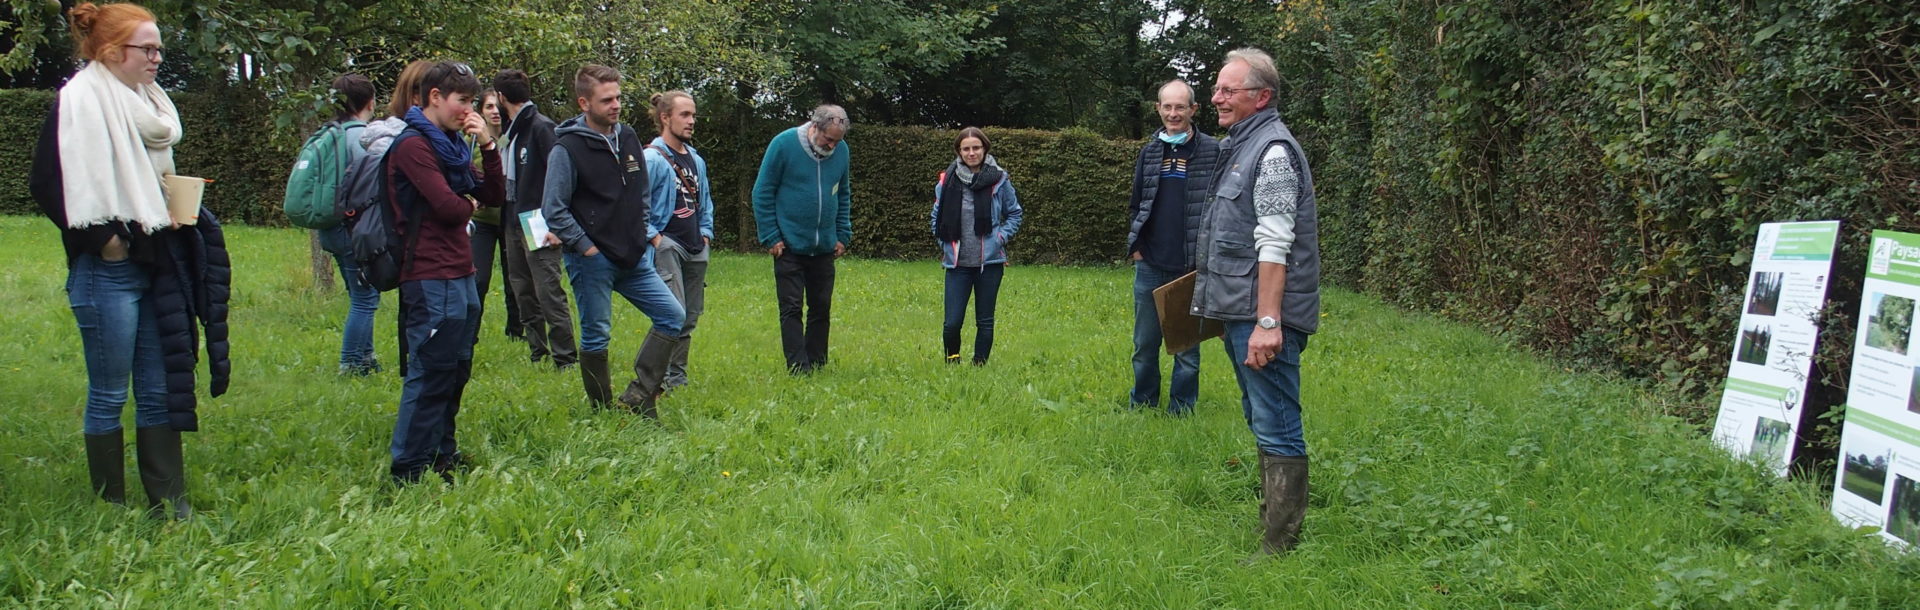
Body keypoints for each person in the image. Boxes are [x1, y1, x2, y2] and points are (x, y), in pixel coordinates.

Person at [29, 2, 232, 519]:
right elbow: (48, 184)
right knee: (109, 391)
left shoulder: (150, 104)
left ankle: (169, 501)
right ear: (112, 50)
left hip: (157, 258)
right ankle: (110, 506)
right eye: (149, 48)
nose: (158, 57)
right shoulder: (79, 101)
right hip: (109, 269)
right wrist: (106, 242)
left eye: (160, 48)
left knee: (159, 385)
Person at [1194, 48, 1322, 557]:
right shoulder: (1242, 146)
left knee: (1277, 422)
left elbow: (1275, 243)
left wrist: (1267, 322)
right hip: (1241, 313)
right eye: (1218, 88)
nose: (1217, 97)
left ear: (1261, 96)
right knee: (1260, 414)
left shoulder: (1271, 152)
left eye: (1228, 90)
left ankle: (1281, 546)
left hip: (1263, 316)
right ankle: (1273, 525)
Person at [384, 61, 506, 485]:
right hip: (428, 274)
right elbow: (450, 209)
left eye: (473, 101)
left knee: (456, 368)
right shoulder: (413, 147)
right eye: (463, 101)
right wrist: (467, 204)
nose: (468, 110)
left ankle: (441, 453)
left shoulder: (454, 148)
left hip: (461, 271)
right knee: (430, 370)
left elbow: (492, 195)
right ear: (435, 97)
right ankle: (408, 468)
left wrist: (488, 148)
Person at [542, 64, 685, 417]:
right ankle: (602, 410)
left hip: (634, 255)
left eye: (618, 97)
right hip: (593, 260)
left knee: (672, 315)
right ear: (584, 103)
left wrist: (643, 231)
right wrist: (586, 247)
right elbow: (553, 208)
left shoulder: (630, 137)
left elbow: (642, 191)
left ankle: (637, 398)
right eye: (607, 100)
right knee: (596, 336)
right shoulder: (567, 148)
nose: (616, 105)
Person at [1126, 79, 1223, 415]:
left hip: (1190, 265)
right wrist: (1137, 247)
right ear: (1158, 109)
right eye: (1167, 106)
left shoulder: (1214, 151)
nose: (1173, 113)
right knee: (1144, 345)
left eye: (1180, 106)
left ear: (1193, 110)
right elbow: (1137, 203)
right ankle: (1142, 404)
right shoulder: (1150, 152)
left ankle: (1181, 409)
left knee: (1187, 348)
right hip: (1150, 263)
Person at [752, 105, 853, 374]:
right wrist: (771, 236)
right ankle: (798, 367)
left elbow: (842, 194)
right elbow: (762, 192)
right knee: (792, 307)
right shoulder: (783, 145)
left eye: (837, 140)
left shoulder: (841, 152)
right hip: (788, 245)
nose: (831, 145)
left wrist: (842, 234)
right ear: (814, 127)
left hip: (824, 247)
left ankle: (817, 363)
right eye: (828, 139)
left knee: (821, 307)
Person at [495, 69, 577, 370]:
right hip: (512, 216)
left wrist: (557, 222)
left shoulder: (542, 128)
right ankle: (537, 351)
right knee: (522, 288)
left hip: (537, 218)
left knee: (547, 289)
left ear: (501, 97)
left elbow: (561, 175)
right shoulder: (510, 131)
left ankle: (565, 357)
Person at [930, 127, 1022, 365]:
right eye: (966, 149)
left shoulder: (999, 180)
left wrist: (999, 239)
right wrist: (944, 241)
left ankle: (979, 364)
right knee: (952, 322)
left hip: (989, 263)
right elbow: (936, 218)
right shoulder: (946, 181)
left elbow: (1014, 214)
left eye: (976, 148)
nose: (972, 153)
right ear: (959, 152)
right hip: (957, 263)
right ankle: (953, 360)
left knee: (985, 320)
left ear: (985, 149)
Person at [641, 91, 714, 390]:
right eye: (685, 115)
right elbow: (634, 206)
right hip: (667, 245)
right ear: (665, 117)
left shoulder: (696, 159)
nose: (691, 121)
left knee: (689, 317)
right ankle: (653, 378)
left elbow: (705, 202)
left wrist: (706, 235)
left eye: (693, 115)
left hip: (696, 246)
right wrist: (656, 239)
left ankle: (677, 378)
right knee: (671, 315)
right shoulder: (651, 159)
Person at [314, 73, 383, 376]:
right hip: (354, 230)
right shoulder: (363, 137)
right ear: (371, 102)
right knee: (365, 298)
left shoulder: (330, 134)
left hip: (329, 227)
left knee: (359, 294)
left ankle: (366, 357)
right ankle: (352, 363)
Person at [468, 89, 522, 343]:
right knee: (478, 278)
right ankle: (470, 333)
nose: (493, 111)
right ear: (480, 111)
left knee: (516, 279)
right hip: (483, 221)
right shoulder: (470, 142)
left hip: (511, 218)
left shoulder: (517, 138)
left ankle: (516, 333)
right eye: (488, 106)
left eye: (496, 106)